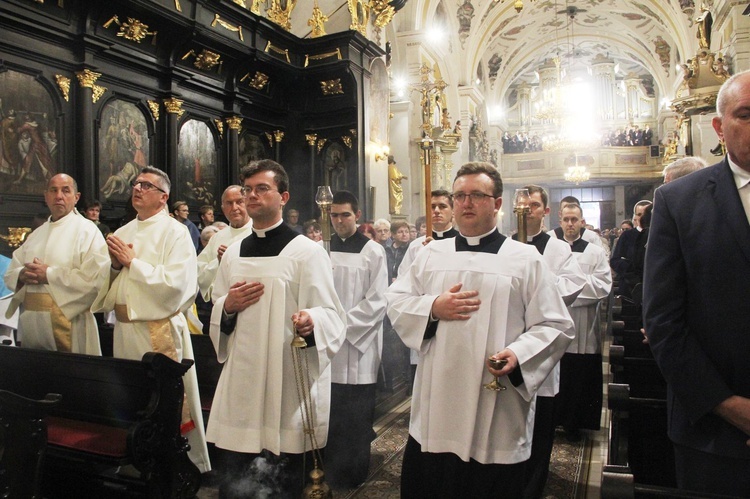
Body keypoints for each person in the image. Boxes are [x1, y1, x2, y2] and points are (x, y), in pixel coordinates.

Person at [386, 162, 574, 497]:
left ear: (497, 203)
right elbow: (397, 300)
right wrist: (432, 308)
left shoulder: (525, 259)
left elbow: (555, 324)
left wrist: (518, 353)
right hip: (438, 397)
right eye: (460, 195)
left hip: (496, 397)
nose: (466, 203)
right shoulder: (430, 255)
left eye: (477, 195)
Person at [206, 160, 346, 498]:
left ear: (283, 196)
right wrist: (228, 306)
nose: (252, 196)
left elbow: (333, 314)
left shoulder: (307, 252)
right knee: (239, 474)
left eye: (262, 189)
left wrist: (313, 321)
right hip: (243, 375)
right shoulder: (233, 253)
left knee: (281, 475)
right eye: (248, 190)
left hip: (286, 375)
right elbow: (218, 304)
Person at [643, 70, 750, 497]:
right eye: (746, 114)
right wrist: (727, 406)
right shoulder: (679, 201)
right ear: (720, 128)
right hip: (712, 426)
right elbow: (664, 320)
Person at [92, 166, 210, 474]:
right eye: (136, 184)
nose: (137, 188)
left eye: (146, 185)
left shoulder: (176, 232)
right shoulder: (123, 231)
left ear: (163, 196)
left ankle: (174, 466)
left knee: (165, 404)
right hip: (124, 330)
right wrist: (116, 268)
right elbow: (106, 284)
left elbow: (179, 285)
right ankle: (136, 462)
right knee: (133, 401)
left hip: (159, 332)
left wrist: (133, 263)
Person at [515, 185, 586, 499]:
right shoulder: (507, 245)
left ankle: (532, 486)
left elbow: (572, 286)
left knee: (540, 427)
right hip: (511, 345)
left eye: (533, 205)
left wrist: (538, 280)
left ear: (544, 211)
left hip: (543, 348)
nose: (527, 210)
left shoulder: (558, 249)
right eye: (523, 205)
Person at [4, 174, 108, 355]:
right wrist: (21, 275)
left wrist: (49, 275)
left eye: (65, 190)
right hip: (33, 325)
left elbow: (96, 280)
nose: (59, 195)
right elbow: (12, 270)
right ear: (46, 196)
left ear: (76, 198)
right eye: (53, 190)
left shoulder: (88, 231)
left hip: (70, 324)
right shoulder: (37, 234)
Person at [325, 190, 388, 488]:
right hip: (327, 345)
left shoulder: (373, 251)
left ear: (358, 216)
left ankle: (353, 472)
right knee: (330, 409)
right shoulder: (320, 249)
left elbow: (377, 300)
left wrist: (341, 326)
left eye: (345, 215)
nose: (339, 221)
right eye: (334, 215)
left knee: (356, 413)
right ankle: (329, 469)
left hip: (358, 345)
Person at [555, 203, 612, 441]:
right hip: (555, 324)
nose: (570, 224)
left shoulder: (594, 252)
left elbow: (602, 286)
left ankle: (575, 423)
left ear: (581, 222)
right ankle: (556, 419)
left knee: (579, 377)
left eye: (574, 220)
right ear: (560, 221)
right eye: (566, 219)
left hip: (583, 326)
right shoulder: (552, 249)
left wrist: (567, 293)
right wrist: (566, 288)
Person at [197, 185, 254, 304]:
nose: (234, 208)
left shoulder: (257, 232)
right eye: (229, 203)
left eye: (239, 202)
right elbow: (198, 271)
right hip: (219, 304)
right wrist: (218, 261)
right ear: (223, 209)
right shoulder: (217, 237)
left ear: (248, 202)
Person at [609, 199, 651, 297]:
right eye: (639, 214)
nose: (643, 218)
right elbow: (615, 260)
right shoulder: (627, 235)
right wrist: (631, 267)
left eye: (646, 215)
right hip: (629, 287)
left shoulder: (657, 234)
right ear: (635, 216)